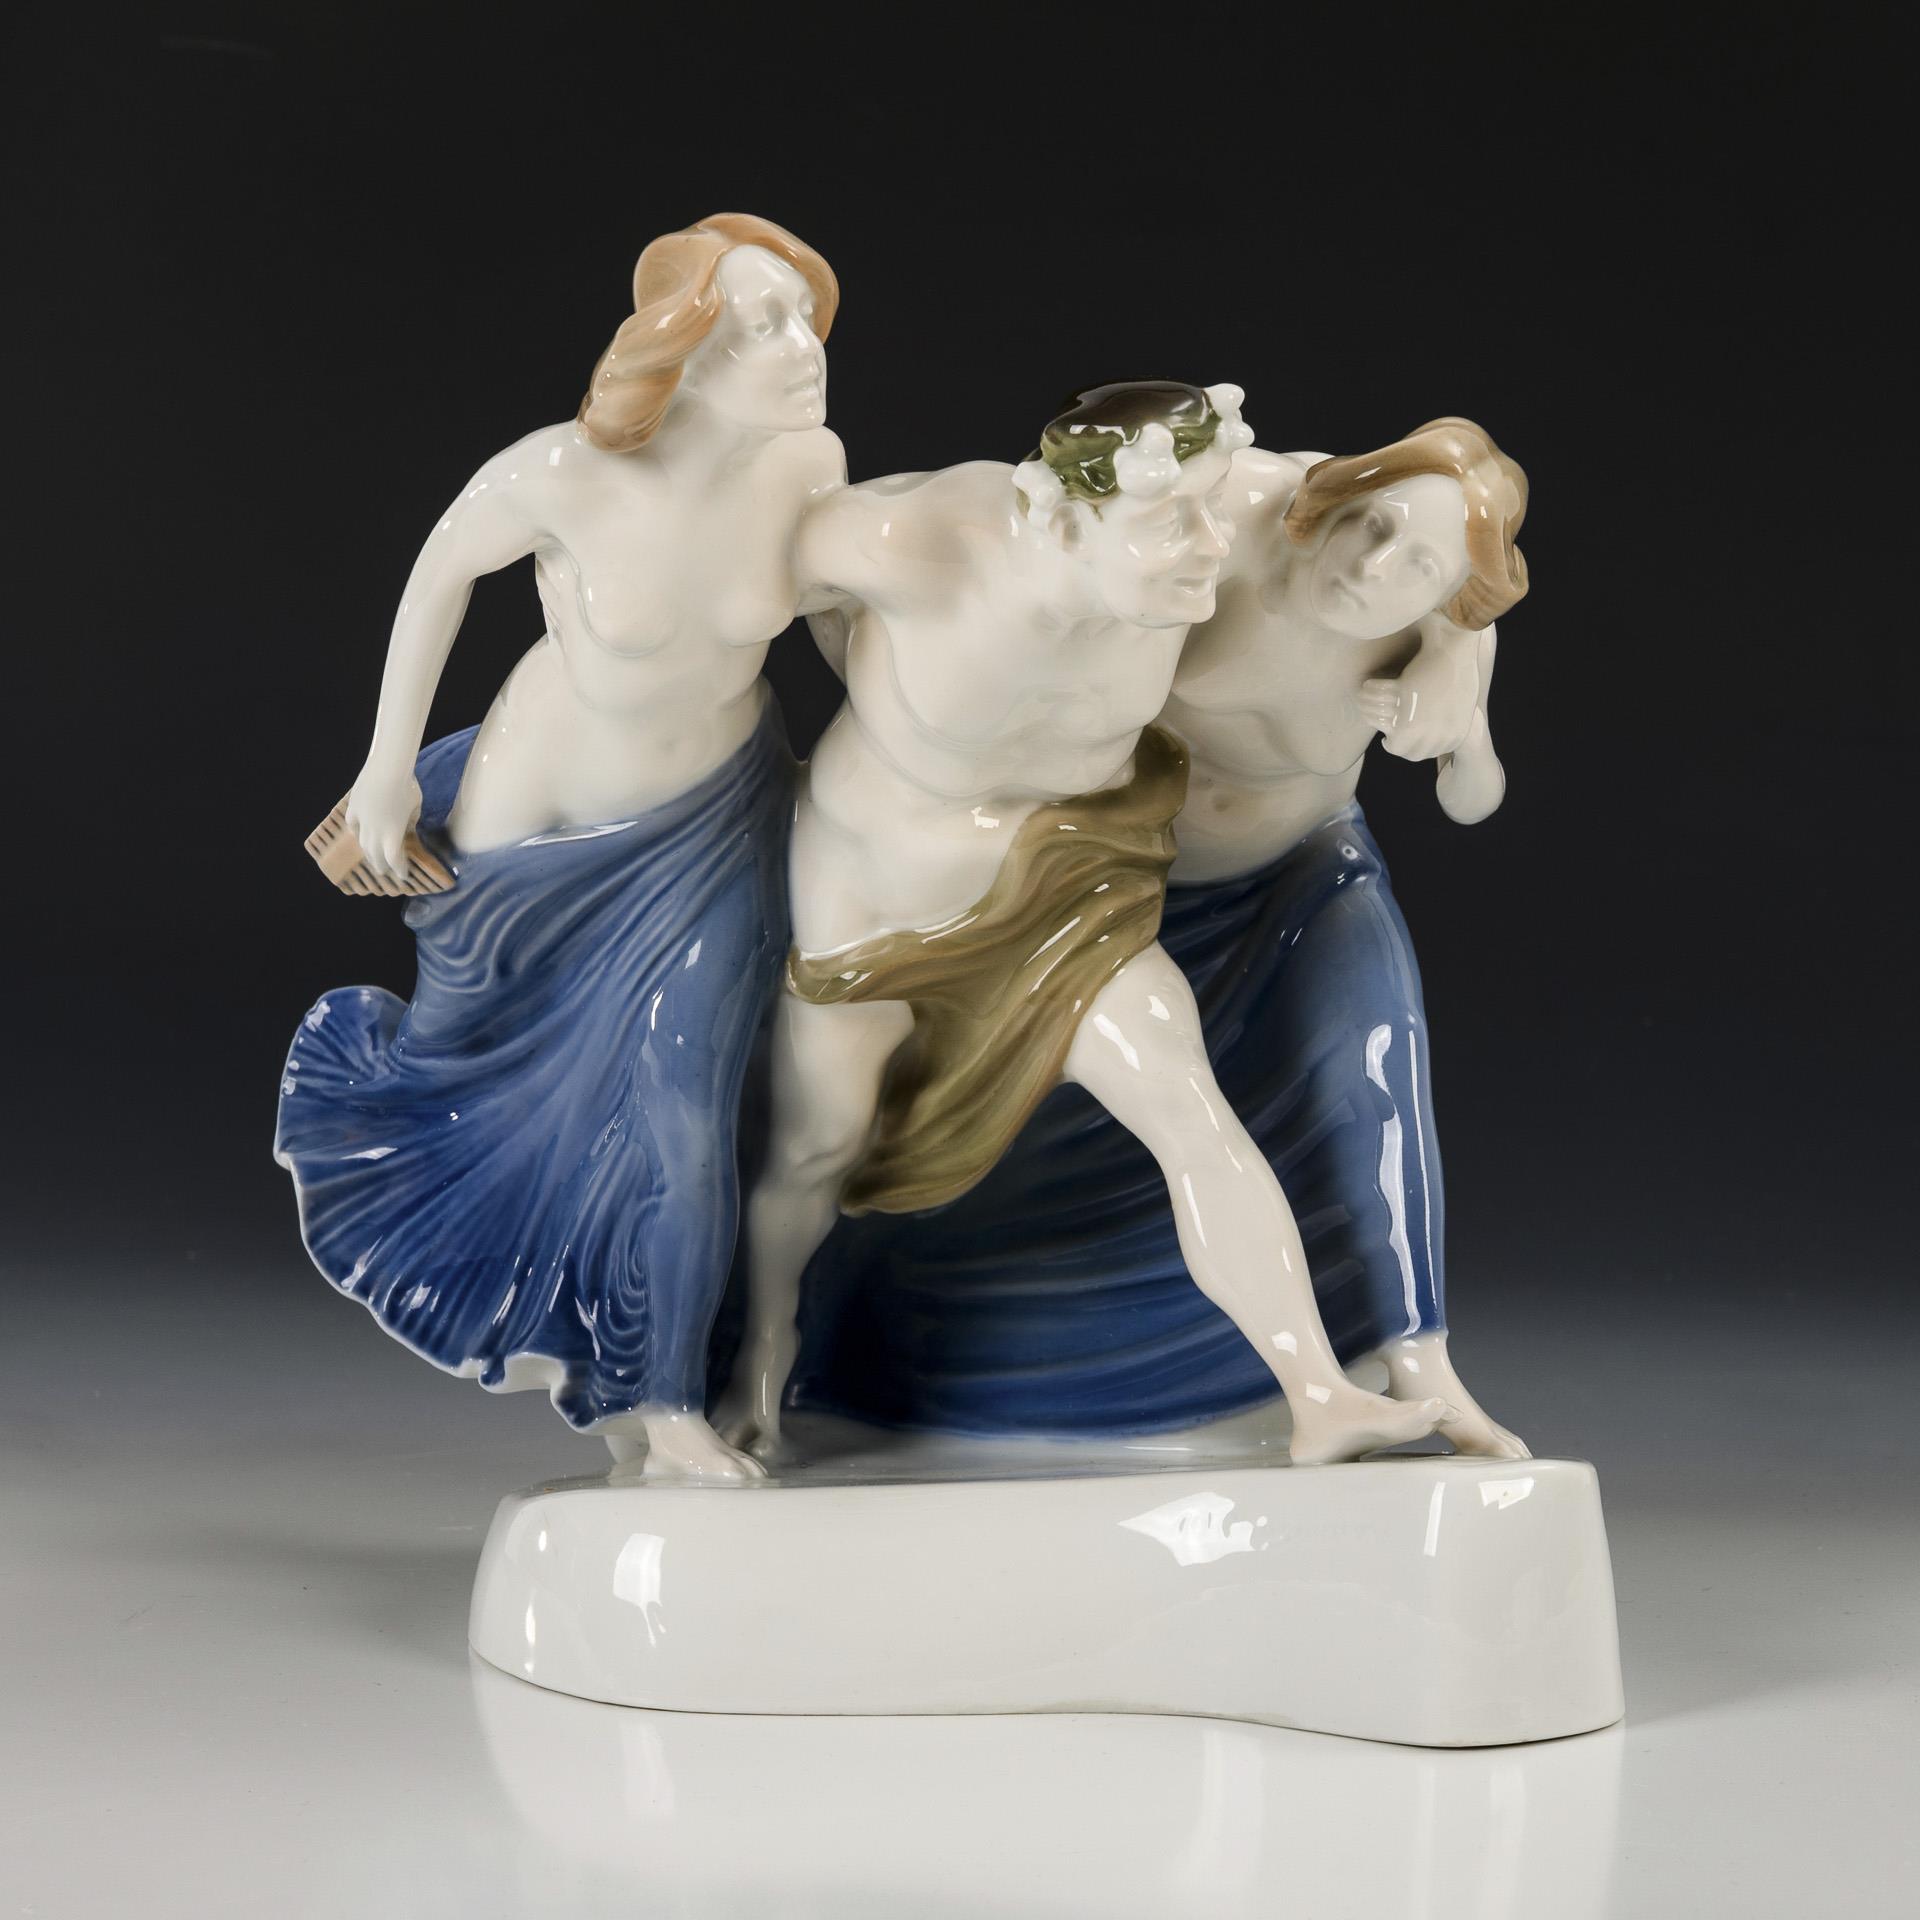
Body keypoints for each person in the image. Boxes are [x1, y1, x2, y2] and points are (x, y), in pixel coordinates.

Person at [726, 382, 1453, 1468]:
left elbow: (1417, 519)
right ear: (1067, 522)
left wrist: (1452, 656)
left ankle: (1318, 1394)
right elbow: (724, 580)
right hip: (870, 909)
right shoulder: (922, 542)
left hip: (1063, 896)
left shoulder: (1184, 561)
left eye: (1211, 507)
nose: (1216, 544)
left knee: (1185, 1104)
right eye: (1174, 521)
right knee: (813, 1148)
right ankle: (758, 1366)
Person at [274, 214, 844, 1481]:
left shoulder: (809, 465)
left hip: (710, 827)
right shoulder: (564, 473)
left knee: (685, 1106)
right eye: (761, 325)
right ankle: (556, 1323)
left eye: (805, 317)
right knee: (481, 1076)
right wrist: (384, 768)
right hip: (532, 829)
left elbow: (843, 615)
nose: (802, 347)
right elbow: (440, 572)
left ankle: (668, 1397)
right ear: (684, 351)